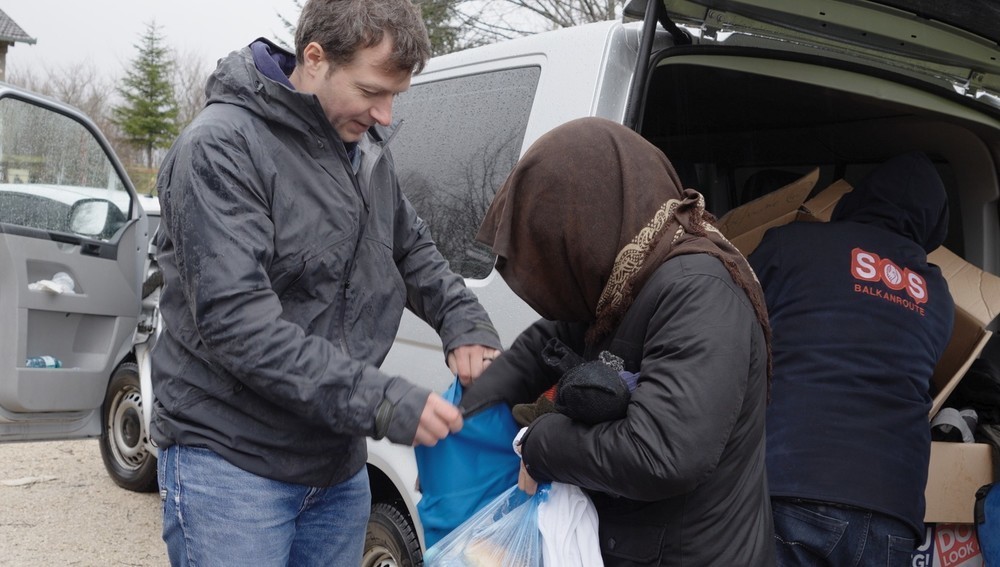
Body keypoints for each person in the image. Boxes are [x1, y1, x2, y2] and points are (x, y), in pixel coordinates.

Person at [149, 1, 503, 565]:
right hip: (232, 465)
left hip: (336, 469)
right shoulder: (219, 148)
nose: (385, 115)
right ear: (315, 58)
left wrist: (464, 320)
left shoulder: (363, 152)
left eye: (395, 97)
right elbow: (239, 325)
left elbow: (412, 250)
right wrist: (383, 399)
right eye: (371, 92)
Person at [461, 116, 776, 566]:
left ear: (592, 220)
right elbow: (548, 339)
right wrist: (464, 414)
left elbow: (662, 452)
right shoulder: (622, 281)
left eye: (557, 244)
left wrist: (541, 444)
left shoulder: (697, 289)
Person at [747, 151, 955, 566]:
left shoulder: (792, 244)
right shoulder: (937, 296)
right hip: (893, 511)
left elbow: (726, 328)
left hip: (793, 482)